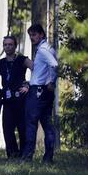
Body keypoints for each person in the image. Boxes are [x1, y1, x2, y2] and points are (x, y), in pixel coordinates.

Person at [0, 36, 33, 158]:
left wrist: (28, 84)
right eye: (5, 45)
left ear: (15, 46)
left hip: (21, 100)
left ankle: (24, 155)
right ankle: (12, 155)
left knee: (23, 129)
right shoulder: (1, 63)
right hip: (7, 101)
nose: (8, 47)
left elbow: (38, 70)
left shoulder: (22, 60)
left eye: (10, 44)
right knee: (7, 130)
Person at [21, 24, 58, 163]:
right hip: (44, 91)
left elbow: (54, 65)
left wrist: (52, 82)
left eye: (35, 34)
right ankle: (48, 158)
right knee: (47, 123)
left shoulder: (42, 50)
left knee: (31, 123)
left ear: (42, 34)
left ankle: (27, 157)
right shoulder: (49, 48)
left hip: (38, 92)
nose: (32, 37)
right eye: (30, 35)